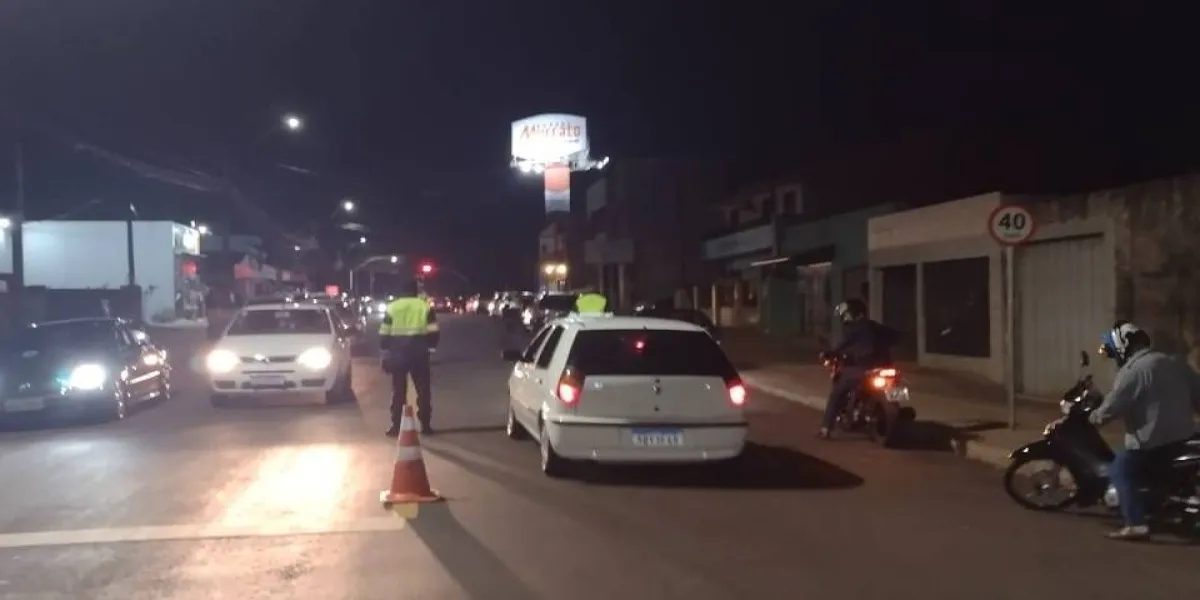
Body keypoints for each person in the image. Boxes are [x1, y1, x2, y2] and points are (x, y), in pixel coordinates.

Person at [1090, 320, 1200, 540]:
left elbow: (1112, 406)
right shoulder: (1176, 363)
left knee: (1119, 469)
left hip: (1153, 444)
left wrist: (1094, 418)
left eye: (1112, 352)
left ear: (1123, 347)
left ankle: (1135, 524)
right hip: (1185, 438)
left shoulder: (1133, 372)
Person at [818, 299, 897, 439]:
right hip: (886, 368)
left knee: (837, 392)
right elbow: (895, 336)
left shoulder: (854, 329)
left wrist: (829, 353)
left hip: (864, 369)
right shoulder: (875, 326)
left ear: (855, 314)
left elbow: (841, 347)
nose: (845, 317)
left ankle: (825, 428)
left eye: (847, 314)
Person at [379, 276, 440, 437]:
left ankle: (396, 426)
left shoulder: (392, 307)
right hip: (419, 354)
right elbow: (433, 330)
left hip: (398, 354)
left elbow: (384, 332)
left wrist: (385, 350)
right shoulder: (424, 307)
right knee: (423, 390)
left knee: (398, 391)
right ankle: (425, 425)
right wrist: (431, 347)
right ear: (415, 290)